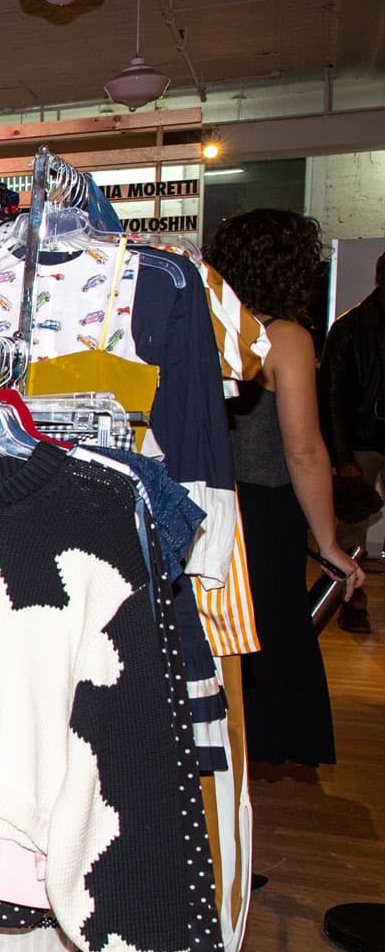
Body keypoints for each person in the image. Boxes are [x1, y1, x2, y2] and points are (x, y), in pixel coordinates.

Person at [207, 209, 364, 767]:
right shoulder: (285, 337)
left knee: (217, 632)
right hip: (266, 511)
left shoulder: (208, 325)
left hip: (207, 502)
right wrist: (330, 542)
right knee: (268, 632)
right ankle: (255, 753)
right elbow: (303, 450)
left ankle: (217, 755)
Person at [319, 249, 385, 632]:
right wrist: (343, 457)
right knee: (352, 526)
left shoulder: (350, 327)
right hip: (360, 440)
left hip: (364, 436)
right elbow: (331, 397)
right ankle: (351, 601)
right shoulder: (349, 328)